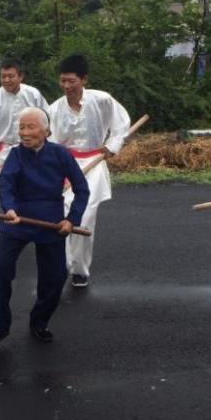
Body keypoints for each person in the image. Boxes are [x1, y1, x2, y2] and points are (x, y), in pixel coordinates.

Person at [0, 107, 89, 355]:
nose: (24, 132)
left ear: (46, 131)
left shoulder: (61, 154)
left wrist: (71, 220)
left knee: (55, 277)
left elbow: (82, 189)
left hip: (50, 223)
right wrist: (8, 209)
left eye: (31, 127)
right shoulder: (15, 155)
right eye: (21, 127)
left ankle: (39, 321)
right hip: (16, 221)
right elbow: (6, 185)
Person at [47, 54, 130, 288]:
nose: (66, 86)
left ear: (84, 79)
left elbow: (121, 124)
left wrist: (113, 146)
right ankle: (60, 265)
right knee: (61, 218)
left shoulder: (102, 100)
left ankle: (80, 270)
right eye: (62, 81)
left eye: (71, 81)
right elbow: (50, 142)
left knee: (83, 217)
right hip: (64, 165)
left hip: (93, 164)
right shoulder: (54, 109)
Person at [0, 56, 48, 253]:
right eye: (3, 76)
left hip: (29, 149)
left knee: (25, 190)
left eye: (11, 76)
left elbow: (47, 121)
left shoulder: (33, 94)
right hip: (2, 150)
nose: (6, 80)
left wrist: (44, 147)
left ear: (20, 76)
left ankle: (11, 233)